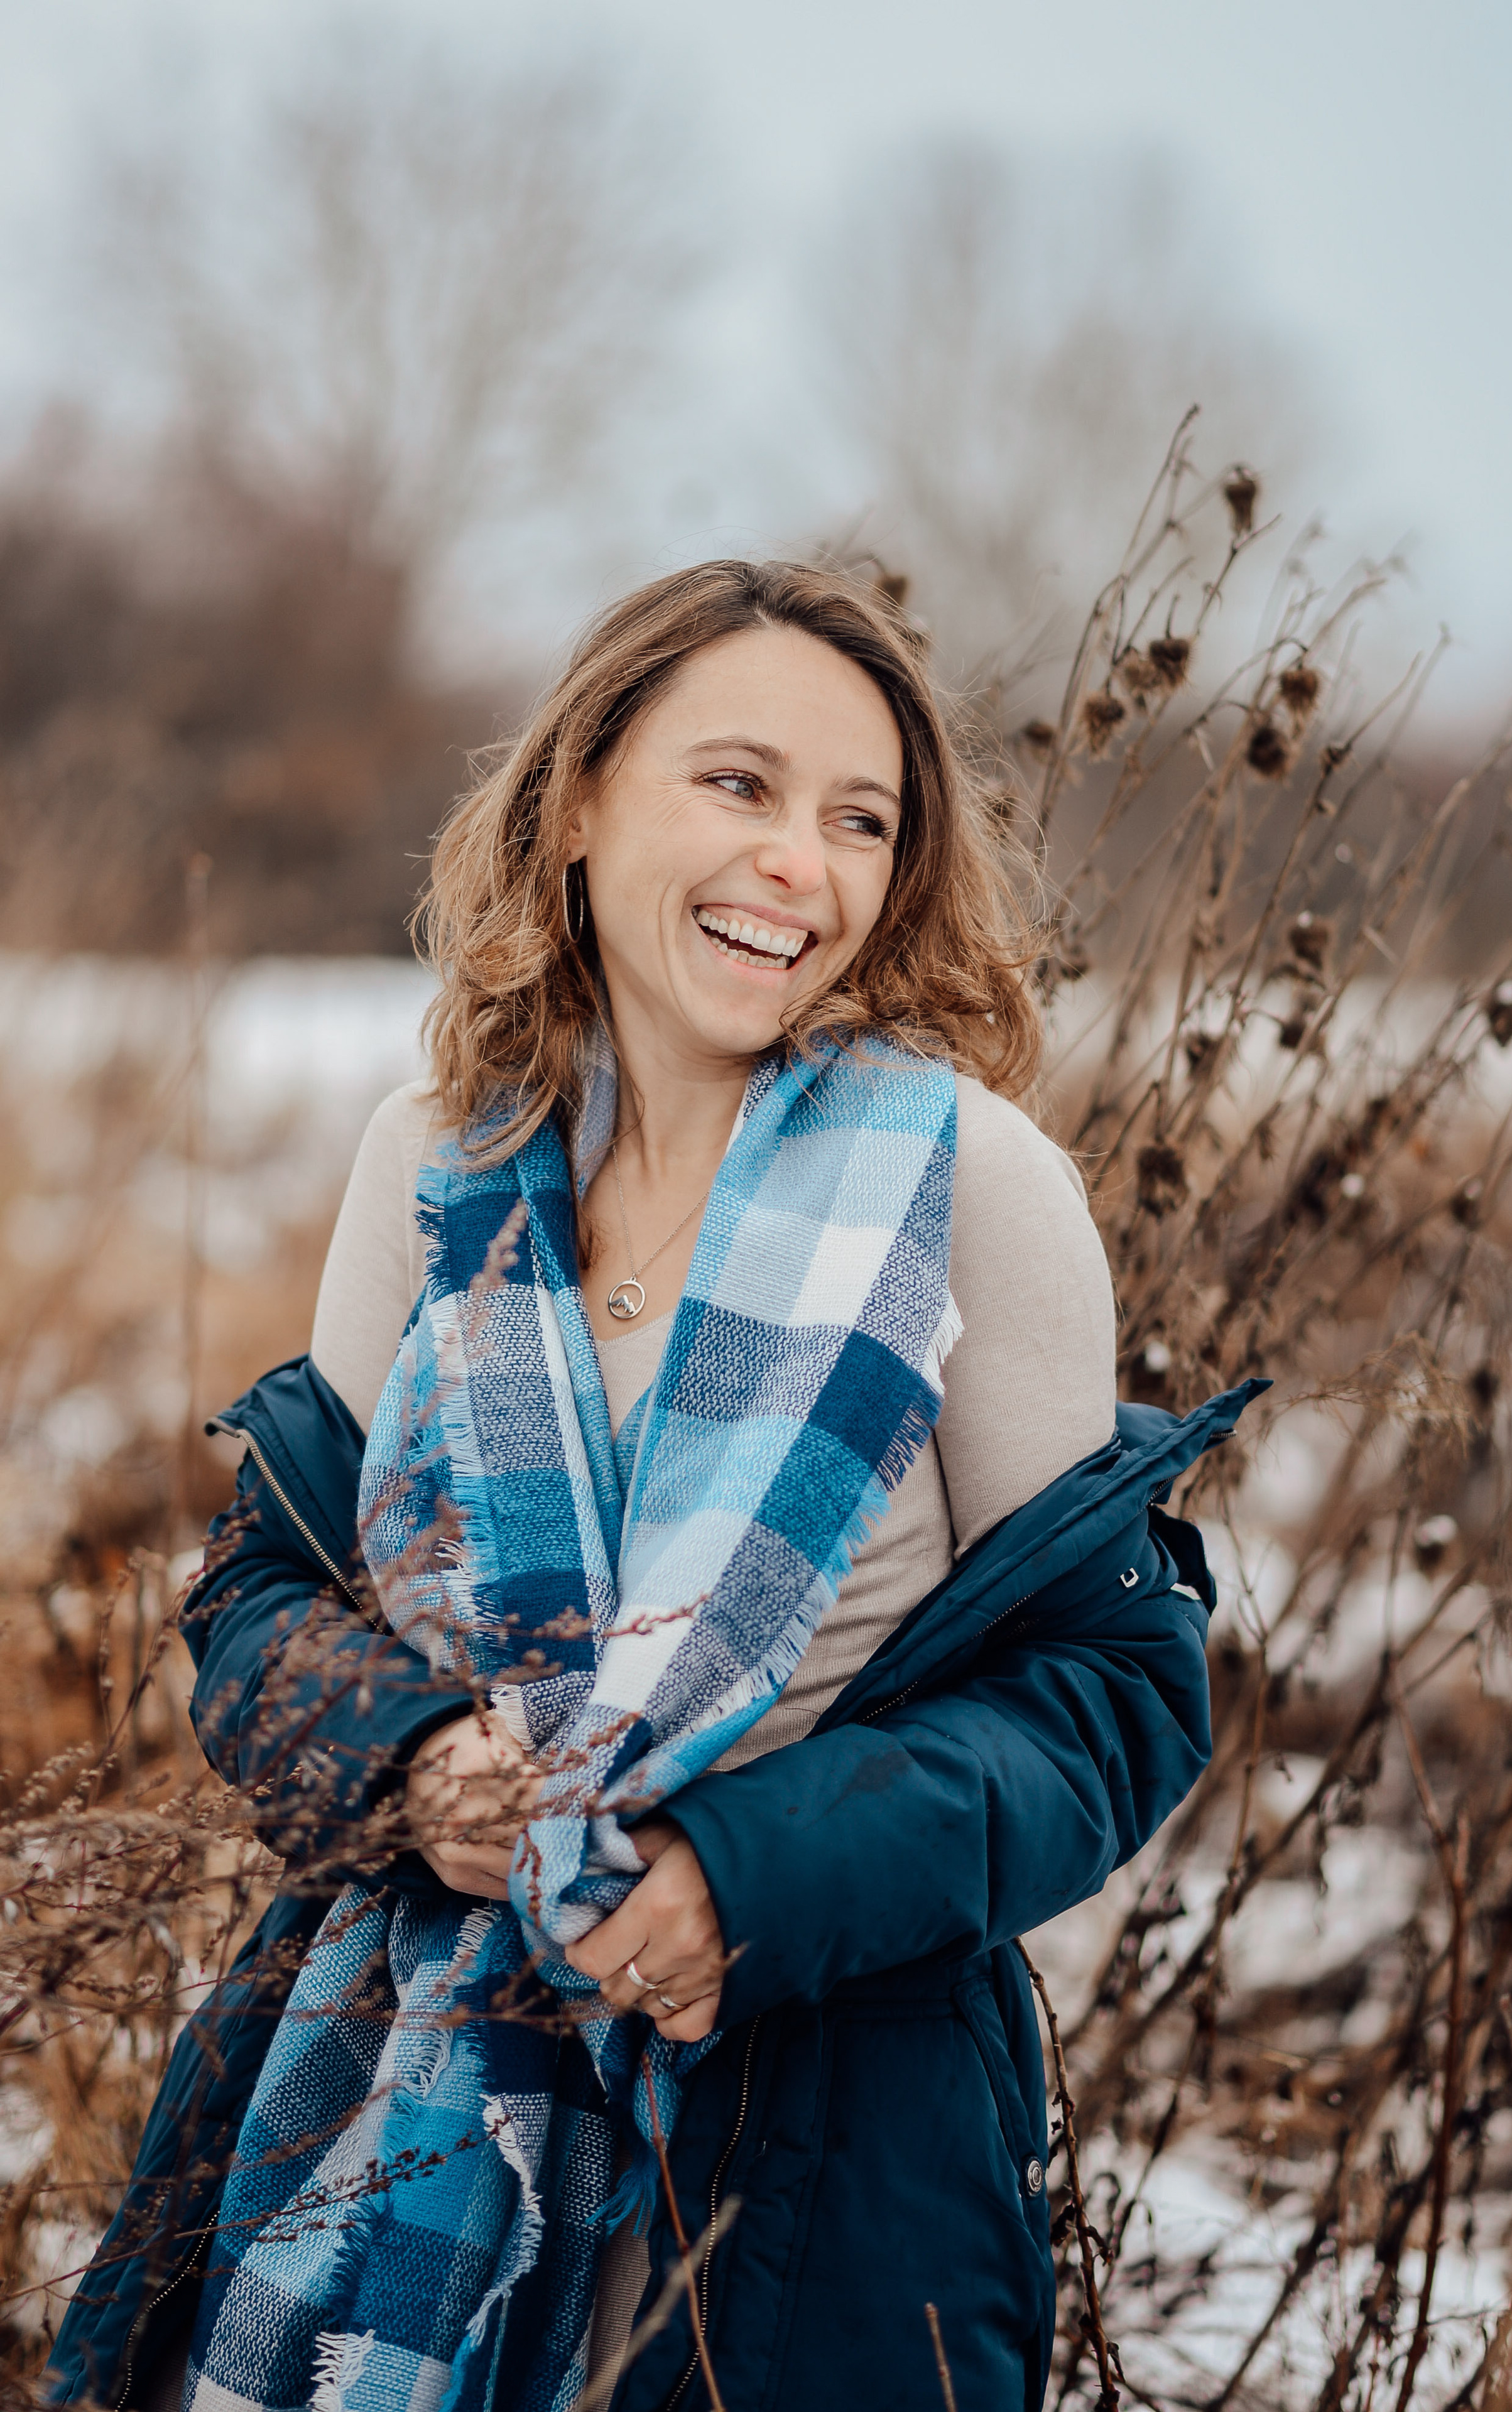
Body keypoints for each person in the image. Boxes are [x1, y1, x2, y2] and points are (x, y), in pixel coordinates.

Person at [48, 561, 1256, 2412]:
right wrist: (410, 1764)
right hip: (391, 2089)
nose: (803, 863)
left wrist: (741, 1874)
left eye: (863, 821)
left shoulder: (970, 1189)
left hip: (818, 2157)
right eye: (741, 786)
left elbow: (1110, 1699)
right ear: (586, 798)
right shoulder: (438, 1168)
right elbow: (261, 1605)